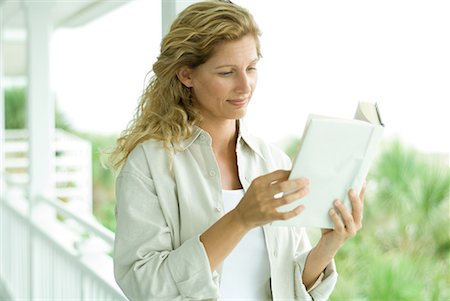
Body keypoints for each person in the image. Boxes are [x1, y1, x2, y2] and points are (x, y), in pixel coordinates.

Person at [110, 1, 365, 300]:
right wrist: (240, 218)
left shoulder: (273, 161)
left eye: (251, 68)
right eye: (227, 72)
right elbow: (144, 287)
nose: (245, 86)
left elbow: (288, 286)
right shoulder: (149, 165)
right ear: (186, 75)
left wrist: (329, 245)